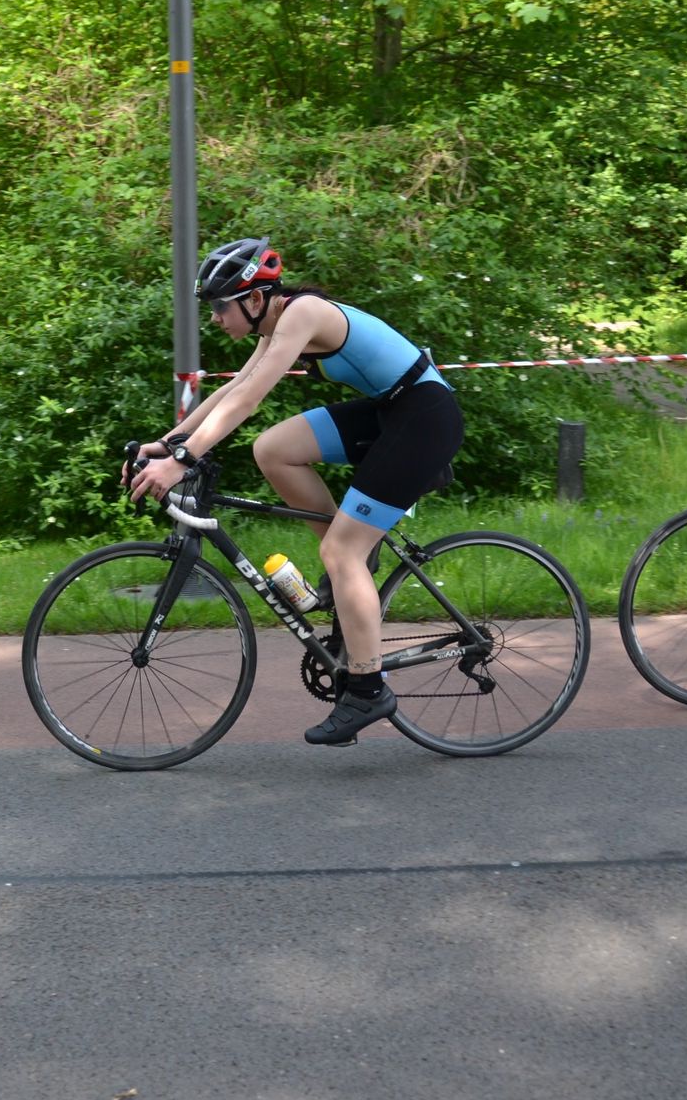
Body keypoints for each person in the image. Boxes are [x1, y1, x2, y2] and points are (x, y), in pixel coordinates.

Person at [127, 237, 464, 746]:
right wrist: (169, 443)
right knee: (273, 448)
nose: (215, 317)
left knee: (340, 550)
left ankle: (369, 689)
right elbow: (231, 390)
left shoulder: (302, 313)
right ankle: (353, 565)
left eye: (221, 305)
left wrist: (184, 461)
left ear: (255, 299)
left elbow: (250, 399)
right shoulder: (277, 323)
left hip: (425, 418)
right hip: (390, 412)